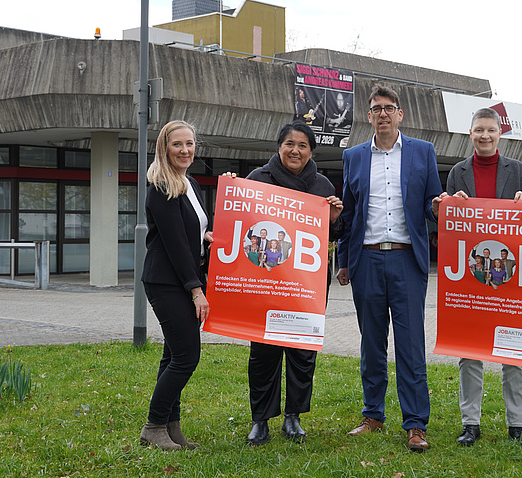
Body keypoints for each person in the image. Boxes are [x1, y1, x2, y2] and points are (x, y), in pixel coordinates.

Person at [337, 84, 442, 452]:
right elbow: (348, 215)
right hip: (366, 259)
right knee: (371, 343)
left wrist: (440, 207)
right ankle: (373, 415)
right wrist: (344, 261)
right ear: (369, 116)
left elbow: (432, 204)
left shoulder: (422, 152)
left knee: (411, 343)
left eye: (390, 108)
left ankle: (415, 424)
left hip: (406, 259)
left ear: (400, 114)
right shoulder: (352, 157)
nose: (383, 113)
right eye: (377, 108)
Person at [229, 121, 344, 446]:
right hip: (265, 284)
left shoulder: (322, 186)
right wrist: (230, 190)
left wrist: (335, 220)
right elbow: (241, 226)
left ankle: (294, 417)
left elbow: (336, 234)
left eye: (303, 145)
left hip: (306, 287)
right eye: (290, 144)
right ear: (279, 147)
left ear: (311, 150)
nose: (296, 150)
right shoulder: (257, 180)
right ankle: (260, 420)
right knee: (263, 352)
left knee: (302, 352)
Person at [431, 107, 522, 448]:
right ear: (471, 133)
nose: (485, 136)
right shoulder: (458, 172)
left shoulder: (518, 170)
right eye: (479, 130)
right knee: (468, 352)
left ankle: (517, 424)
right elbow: (447, 228)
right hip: (470, 279)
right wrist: (448, 204)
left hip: (510, 278)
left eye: (491, 130)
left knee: (514, 353)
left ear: (499, 133)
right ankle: (470, 423)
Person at [140, 120, 212, 451]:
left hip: (182, 279)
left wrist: (206, 237)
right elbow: (175, 245)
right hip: (167, 281)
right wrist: (196, 290)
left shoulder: (190, 183)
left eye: (190, 144)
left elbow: (191, 235)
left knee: (172, 355)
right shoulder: (160, 187)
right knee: (186, 356)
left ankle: (171, 427)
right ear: (163, 148)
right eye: (177, 145)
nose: (185, 150)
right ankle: (153, 427)